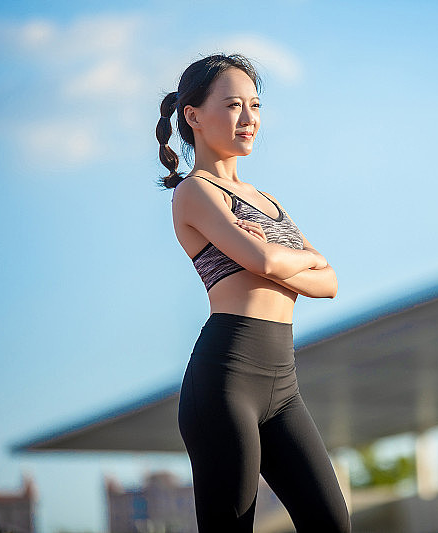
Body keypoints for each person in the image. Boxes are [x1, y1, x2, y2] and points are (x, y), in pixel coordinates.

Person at [155, 53, 351, 532]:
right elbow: (264, 261)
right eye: (234, 105)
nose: (249, 119)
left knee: (332, 523)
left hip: (283, 385)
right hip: (225, 380)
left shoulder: (268, 201)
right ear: (193, 116)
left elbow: (330, 283)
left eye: (255, 106)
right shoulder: (195, 192)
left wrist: (286, 260)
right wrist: (295, 260)